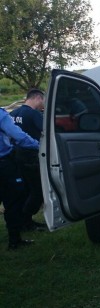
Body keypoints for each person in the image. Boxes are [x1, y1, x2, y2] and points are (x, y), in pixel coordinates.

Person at [0, 107, 40, 250]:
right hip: (4, 163)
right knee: (14, 200)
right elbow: (19, 136)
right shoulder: (1, 115)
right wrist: (39, 146)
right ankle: (14, 240)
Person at [10, 89, 47, 231]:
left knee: (25, 190)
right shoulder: (34, 114)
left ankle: (24, 220)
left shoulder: (13, 114)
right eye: (43, 100)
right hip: (32, 157)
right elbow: (47, 131)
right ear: (38, 98)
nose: (43, 104)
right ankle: (25, 219)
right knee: (38, 191)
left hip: (16, 157)